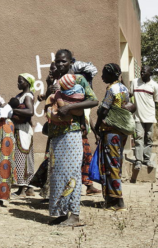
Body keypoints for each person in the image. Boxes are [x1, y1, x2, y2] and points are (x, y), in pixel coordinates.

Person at [45, 50, 97, 227]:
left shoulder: (79, 80)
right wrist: (49, 90)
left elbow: (93, 101)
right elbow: (48, 101)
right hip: (56, 133)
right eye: (57, 61)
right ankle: (61, 213)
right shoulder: (55, 82)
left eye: (63, 61)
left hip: (72, 132)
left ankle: (74, 215)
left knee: (73, 173)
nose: (60, 65)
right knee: (57, 175)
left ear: (70, 62)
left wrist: (68, 108)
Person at [94, 63, 135, 212]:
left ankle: (119, 202)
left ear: (111, 74)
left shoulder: (112, 89)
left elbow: (104, 110)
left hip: (111, 132)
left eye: (104, 73)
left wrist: (97, 127)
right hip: (121, 132)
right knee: (116, 163)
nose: (102, 76)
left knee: (111, 165)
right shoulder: (124, 88)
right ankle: (111, 199)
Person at [130, 66, 158, 170]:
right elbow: (130, 96)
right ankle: (138, 160)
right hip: (138, 117)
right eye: (141, 71)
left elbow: (156, 101)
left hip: (150, 117)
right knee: (138, 138)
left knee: (149, 138)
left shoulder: (154, 85)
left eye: (144, 72)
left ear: (150, 73)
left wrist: (150, 113)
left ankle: (147, 159)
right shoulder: (134, 82)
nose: (141, 73)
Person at [11, 73, 36, 197]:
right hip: (20, 129)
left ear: (27, 82)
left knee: (22, 158)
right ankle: (27, 187)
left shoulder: (27, 96)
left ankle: (22, 189)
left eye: (20, 81)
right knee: (23, 158)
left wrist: (13, 110)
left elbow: (30, 111)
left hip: (23, 130)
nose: (18, 83)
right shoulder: (20, 95)